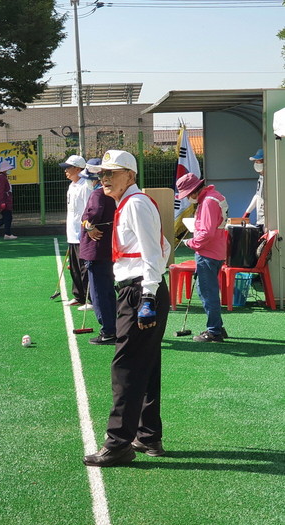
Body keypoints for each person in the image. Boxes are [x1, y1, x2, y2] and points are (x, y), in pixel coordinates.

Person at [83, 150, 171, 468]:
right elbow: (164, 246)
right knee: (146, 366)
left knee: (126, 368)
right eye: (102, 174)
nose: (104, 178)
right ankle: (148, 436)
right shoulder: (131, 203)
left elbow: (153, 252)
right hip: (142, 290)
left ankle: (118, 444)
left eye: (111, 173)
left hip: (140, 292)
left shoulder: (134, 204)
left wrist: (147, 296)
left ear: (130, 176)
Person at [176, 172, 229, 343]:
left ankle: (214, 331)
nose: (187, 198)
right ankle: (217, 327)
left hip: (208, 252)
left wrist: (190, 243)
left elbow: (206, 233)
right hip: (217, 250)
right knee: (208, 290)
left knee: (207, 292)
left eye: (187, 194)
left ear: (193, 191)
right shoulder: (214, 196)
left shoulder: (207, 202)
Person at [79, 158, 117, 344]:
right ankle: (114, 326)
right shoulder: (114, 193)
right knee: (108, 290)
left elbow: (92, 216)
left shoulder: (98, 194)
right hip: (110, 247)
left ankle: (108, 330)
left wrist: (88, 226)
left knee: (99, 293)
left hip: (96, 249)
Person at [61, 154, 93, 309]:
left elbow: (89, 211)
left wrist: (86, 231)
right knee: (74, 267)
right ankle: (79, 296)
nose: (66, 170)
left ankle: (90, 299)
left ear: (78, 169)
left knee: (84, 267)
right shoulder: (71, 186)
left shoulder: (86, 186)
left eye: (68, 168)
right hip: (72, 233)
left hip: (82, 234)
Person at [0, 160, 17, 240]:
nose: (9, 170)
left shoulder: (2, 177)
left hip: (5, 200)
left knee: (7, 217)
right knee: (8, 216)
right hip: (5, 200)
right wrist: (2, 202)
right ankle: (7, 233)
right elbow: (1, 190)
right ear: (5, 169)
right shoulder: (2, 178)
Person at [242, 148, 264, 227]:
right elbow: (257, 195)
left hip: (268, 220)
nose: (256, 164)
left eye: (258, 161)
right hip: (260, 220)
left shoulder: (272, 178)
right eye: (255, 162)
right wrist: (247, 212)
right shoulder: (261, 176)